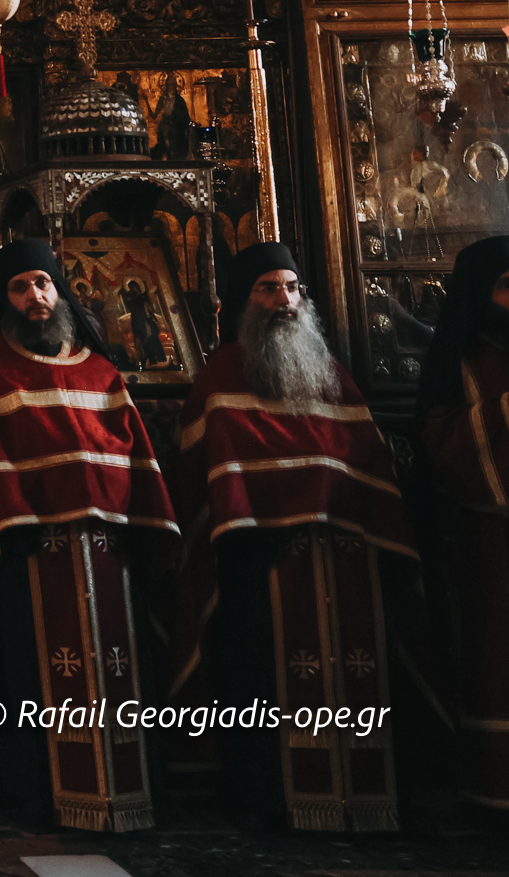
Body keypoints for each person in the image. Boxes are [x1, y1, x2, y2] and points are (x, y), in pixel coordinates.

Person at [0, 239, 176, 833]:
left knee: (119, 674)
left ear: (60, 290)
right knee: (30, 680)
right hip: (27, 564)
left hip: (108, 560)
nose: (35, 296)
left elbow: (134, 463)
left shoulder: (100, 370)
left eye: (44, 283)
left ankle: (127, 791)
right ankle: (40, 795)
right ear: (3, 298)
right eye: (20, 287)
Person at [169, 242, 413, 832]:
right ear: (243, 301)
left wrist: (334, 502)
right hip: (257, 563)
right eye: (268, 289)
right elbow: (204, 479)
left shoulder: (329, 373)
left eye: (291, 288)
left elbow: (364, 459)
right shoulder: (221, 376)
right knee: (261, 679)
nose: (284, 300)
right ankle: (268, 796)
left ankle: (363, 795)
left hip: (341, 557)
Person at [415, 234, 509, 814]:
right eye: (508, 284)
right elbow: (439, 441)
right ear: (481, 297)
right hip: (502, 547)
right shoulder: (462, 361)